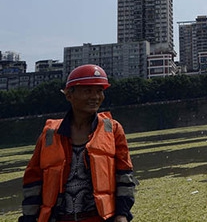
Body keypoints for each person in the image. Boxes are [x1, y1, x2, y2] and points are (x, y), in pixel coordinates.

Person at [19, 64, 136, 222]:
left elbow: (124, 176)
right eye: (88, 91)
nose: (95, 97)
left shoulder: (112, 129)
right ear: (69, 95)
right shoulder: (50, 134)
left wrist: (122, 215)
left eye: (99, 91)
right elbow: (33, 180)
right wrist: (29, 218)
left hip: (99, 218)